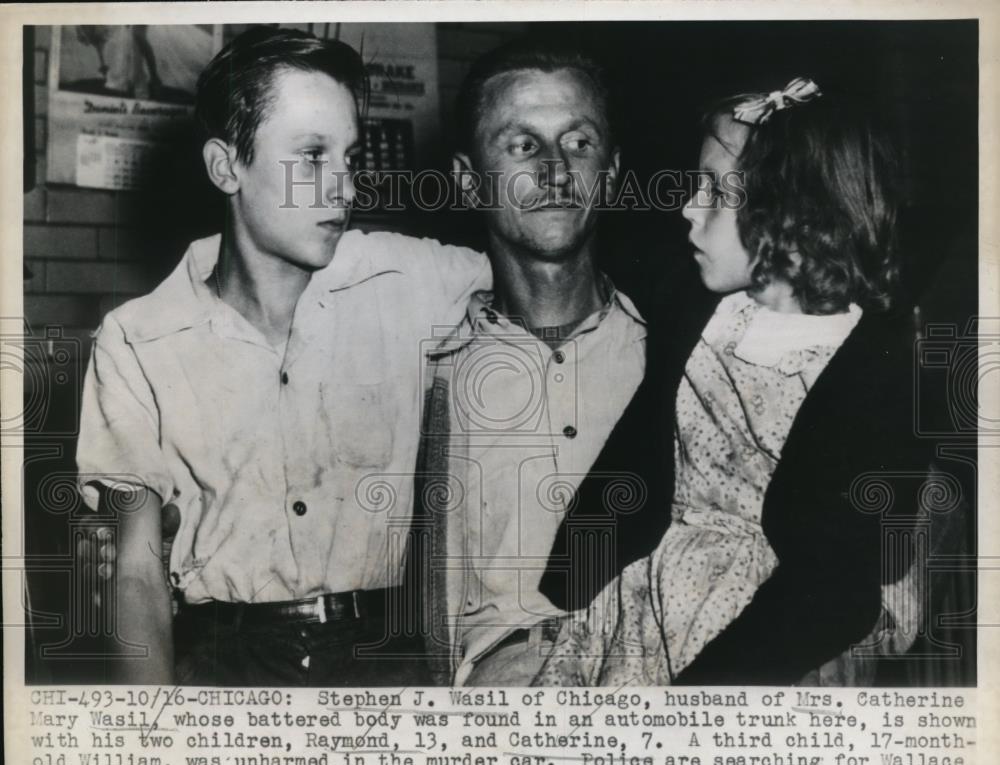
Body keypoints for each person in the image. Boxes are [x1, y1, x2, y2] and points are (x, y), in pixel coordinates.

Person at [75, 27, 489, 686]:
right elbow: (134, 575)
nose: (343, 187)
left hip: (387, 665)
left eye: (349, 157)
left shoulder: (407, 279)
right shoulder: (137, 339)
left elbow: (544, 283)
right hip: (223, 669)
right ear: (226, 166)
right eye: (311, 155)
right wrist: (151, 748)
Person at [533, 77, 930, 686]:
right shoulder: (700, 312)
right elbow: (635, 458)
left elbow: (836, 580)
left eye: (715, 190)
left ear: (796, 216)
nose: (689, 207)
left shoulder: (874, 365)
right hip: (648, 595)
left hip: (768, 636)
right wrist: (558, 602)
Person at [414, 38, 647, 686]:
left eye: (578, 142)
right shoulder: (425, 372)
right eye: (522, 145)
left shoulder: (678, 360)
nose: (555, 169)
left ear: (615, 171)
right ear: (467, 179)